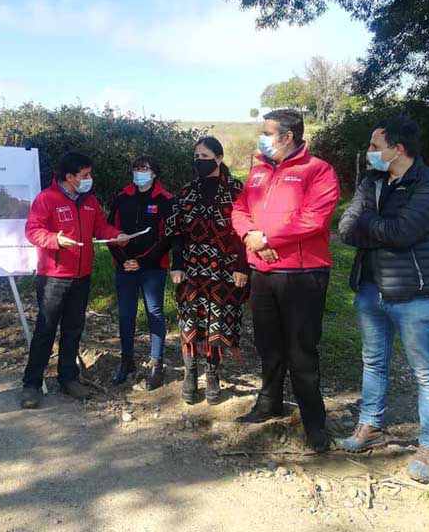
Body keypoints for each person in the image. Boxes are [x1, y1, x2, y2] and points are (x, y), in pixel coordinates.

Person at [336, 116, 429, 483]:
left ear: (397, 149)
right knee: (373, 362)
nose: (369, 153)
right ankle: (370, 427)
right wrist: (374, 225)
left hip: (413, 294)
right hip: (370, 288)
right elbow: (345, 229)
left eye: (374, 146)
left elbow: (404, 232)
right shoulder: (372, 181)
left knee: (425, 373)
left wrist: (370, 224)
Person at [231, 109, 340, 452]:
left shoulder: (318, 170)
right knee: (268, 345)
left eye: (267, 132)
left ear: (287, 136)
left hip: (302, 274)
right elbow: (239, 209)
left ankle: (314, 424)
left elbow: (314, 219)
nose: (261, 138)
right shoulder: (259, 170)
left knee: (301, 350)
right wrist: (250, 234)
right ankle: (269, 403)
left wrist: (266, 239)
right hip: (262, 273)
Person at [21, 152, 130, 408]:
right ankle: (31, 384)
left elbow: (100, 228)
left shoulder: (89, 201)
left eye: (89, 174)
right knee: (45, 331)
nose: (89, 179)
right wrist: (55, 240)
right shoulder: (46, 199)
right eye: (85, 175)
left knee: (73, 329)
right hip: (53, 278)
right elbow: (33, 230)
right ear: (69, 177)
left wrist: (117, 235)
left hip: (82, 276)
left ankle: (68, 378)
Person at [165, 137, 250, 405]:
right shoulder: (187, 191)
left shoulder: (237, 190)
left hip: (226, 269)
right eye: (196, 156)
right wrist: (176, 262)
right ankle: (190, 374)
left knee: (219, 322)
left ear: (219, 158)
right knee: (190, 321)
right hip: (191, 268)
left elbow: (247, 230)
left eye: (204, 156)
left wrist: (242, 266)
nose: (199, 161)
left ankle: (213, 374)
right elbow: (175, 229)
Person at [107, 156, 175, 390]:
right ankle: (127, 361)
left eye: (144, 169)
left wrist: (143, 261)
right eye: (136, 169)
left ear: (154, 173)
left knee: (154, 312)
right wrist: (124, 260)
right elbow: (110, 232)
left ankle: (157, 365)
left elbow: (167, 238)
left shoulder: (165, 200)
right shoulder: (122, 198)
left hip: (153, 269)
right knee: (126, 315)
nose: (139, 173)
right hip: (124, 267)